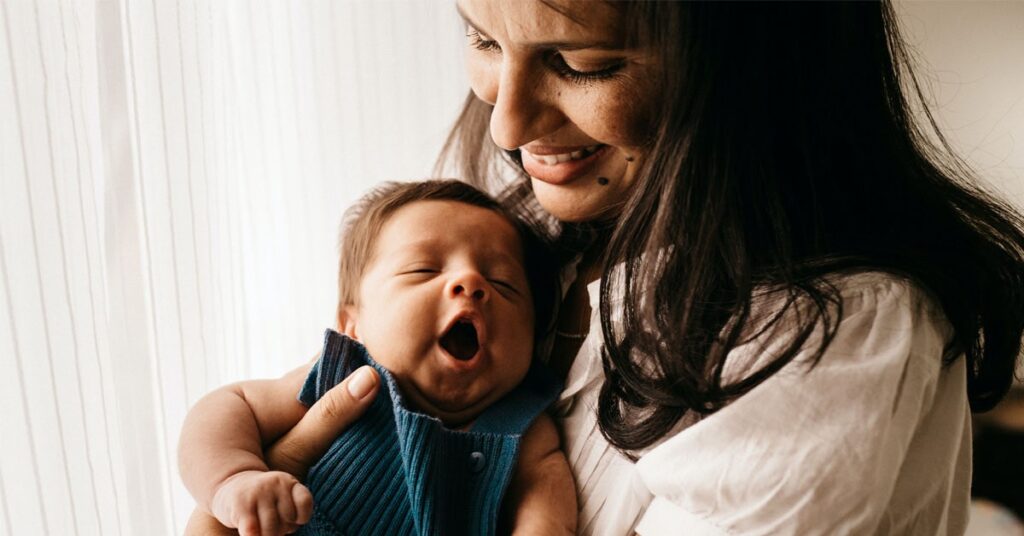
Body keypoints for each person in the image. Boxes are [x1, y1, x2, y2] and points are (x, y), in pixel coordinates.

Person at [189, 1, 1024, 534]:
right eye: (481, 36)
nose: (508, 122)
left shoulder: (828, 342)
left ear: (751, 75)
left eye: (584, 64)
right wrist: (237, 483)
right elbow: (237, 418)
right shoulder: (538, 235)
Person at [179, 180, 576, 535]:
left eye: (503, 283)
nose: (469, 283)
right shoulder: (342, 377)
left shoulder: (524, 428)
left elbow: (547, 509)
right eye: (423, 270)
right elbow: (230, 406)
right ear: (352, 324)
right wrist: (235, 479)